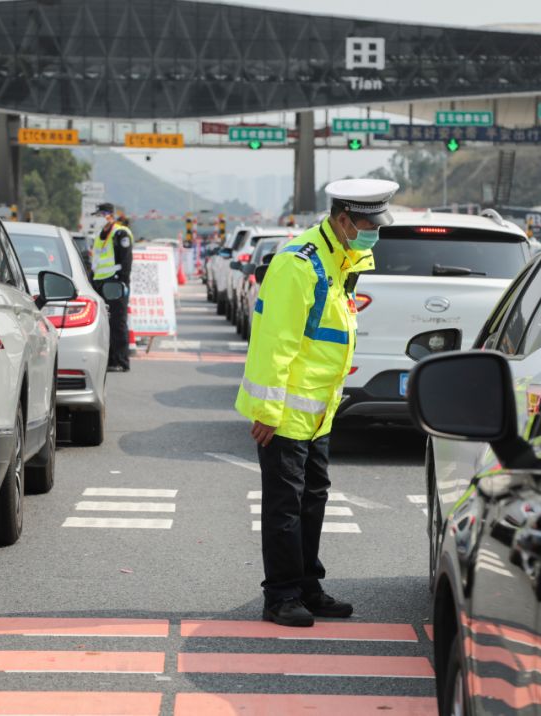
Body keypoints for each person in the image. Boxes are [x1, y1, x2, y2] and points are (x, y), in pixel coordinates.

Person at [235, 178, 399, 627]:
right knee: (285, 505)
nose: (374, 236)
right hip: (287, 410)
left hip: (319, 411)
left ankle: (308, 587)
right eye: (369, 227)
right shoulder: (299, 263)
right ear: (344, 221)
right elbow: (276, 343)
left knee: (311, 500)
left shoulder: (340, 259)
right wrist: (268, 412)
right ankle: (281, 596)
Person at [91, 202, 134, 372]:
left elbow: (126, 260)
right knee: (104, 323)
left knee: (117, 322)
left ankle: (121, 360)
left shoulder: (120, 233)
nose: (98, 218)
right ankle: (108, 359)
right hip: (100, 282)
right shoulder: (100, 234)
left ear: (109, 215)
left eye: (101, 215)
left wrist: (122, 281)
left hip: (115, 282)